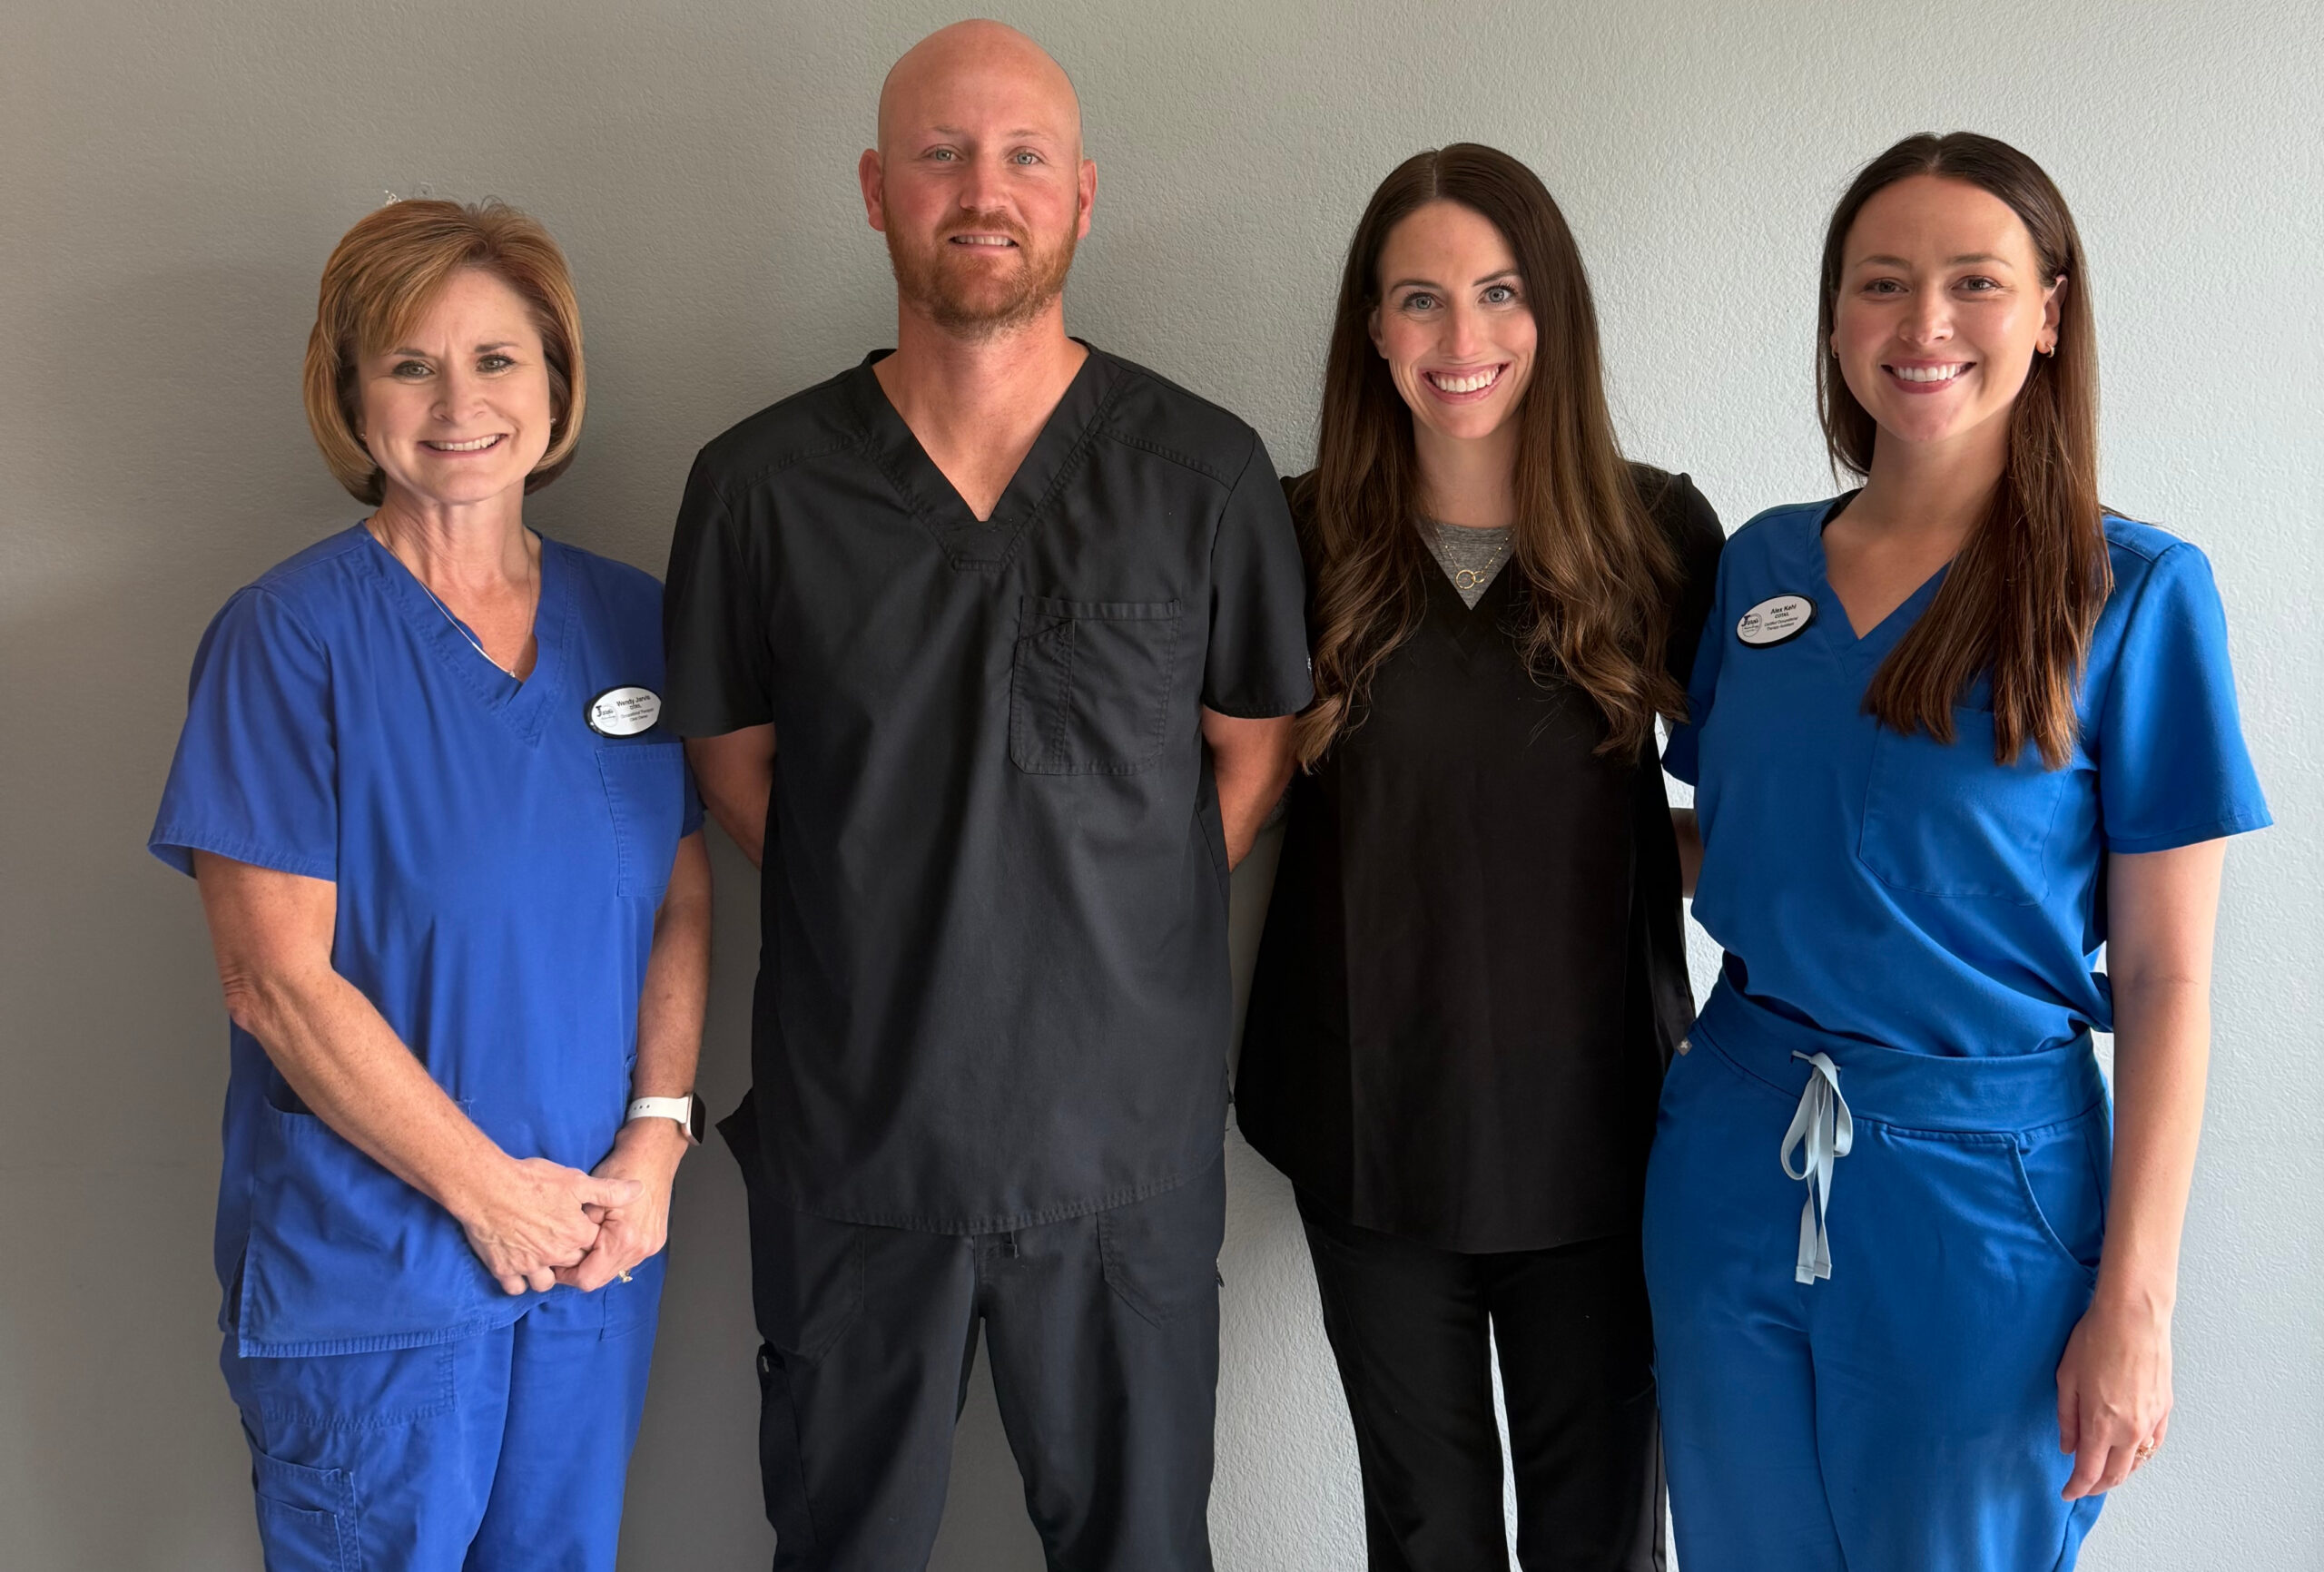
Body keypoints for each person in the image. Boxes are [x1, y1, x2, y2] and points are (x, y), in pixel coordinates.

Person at [660, 21, 1311, 1571]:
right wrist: (898, 884)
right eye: (942, 154)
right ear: (878, 190)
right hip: (861, 1141)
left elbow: (1255, 755)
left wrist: (1094, 899)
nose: (982, 188)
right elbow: (737, 766)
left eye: (1023, 155)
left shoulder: (1200, 473)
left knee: (1143, 1547)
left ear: (1082, 196)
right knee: (843, 1544)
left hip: (1120, 1153)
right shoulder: (759, 485)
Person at [1643, 133, 2271, 1571]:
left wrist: (2139, 1303)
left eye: (1974, 282)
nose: (1924, 325)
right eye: (1882, 284)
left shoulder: (2138, 594)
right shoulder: (1760, 567)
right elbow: (1755, 847)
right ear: (1836, 319)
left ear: (2050, 310)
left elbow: (2170, 980)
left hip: (1983, 1188)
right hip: (1736, 1142)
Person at [148, 198, 711, 1572]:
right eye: (410, 364)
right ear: (351, 397)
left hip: (590, 1253)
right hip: (383, 1275)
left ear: (557, 384)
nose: (459, 402)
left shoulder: (636, 618)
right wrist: (483, 1192)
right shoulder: (286, 640)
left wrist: (657, 1136)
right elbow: (274, 981)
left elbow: (681, 899)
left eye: (498, 359)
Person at [1236, 144, 1723, 1571]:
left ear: (1551, 315)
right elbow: (1197, 815)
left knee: (1603, 1534)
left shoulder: (1655, 535)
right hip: (1369, 1125)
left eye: (1500, 294)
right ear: (1373, 331)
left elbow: (1762, 808)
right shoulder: (1291, 537)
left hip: (1603, 1127)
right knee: (1425, 1531)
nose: (1463, 340)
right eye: (1422, 300)